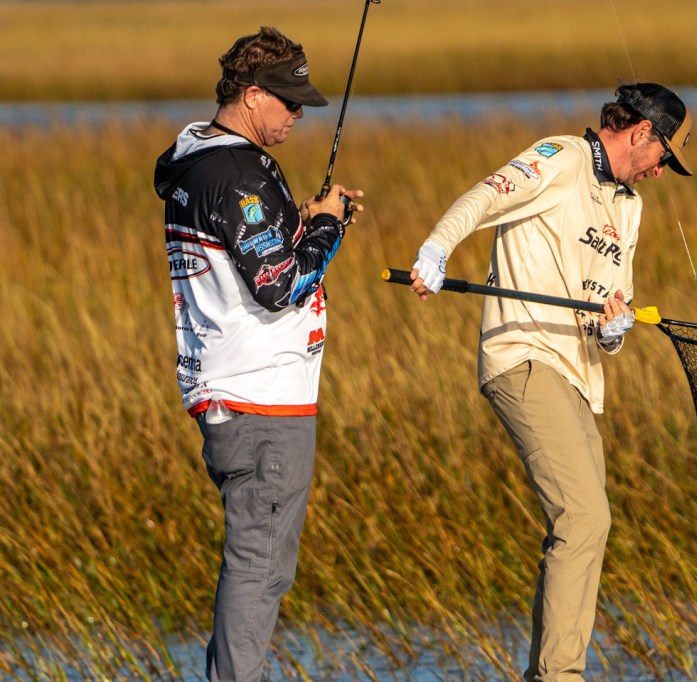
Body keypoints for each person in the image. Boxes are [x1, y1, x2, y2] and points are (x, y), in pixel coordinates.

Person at [407, 82, 694, 681]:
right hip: (523, 356)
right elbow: (485, 196)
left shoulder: (631, 207)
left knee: (590, 524)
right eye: (664, 157)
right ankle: (561, 676)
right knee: (583, 517)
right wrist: (436, 247)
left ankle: (549, 670)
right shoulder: (559, 157)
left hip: (580, 377)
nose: (660, 171)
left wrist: (613, 331)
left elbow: (615, 301)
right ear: (642, 132)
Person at [153, 26, 363, 681]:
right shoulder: (238, 174)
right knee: (260, 564)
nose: (299, 114)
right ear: (250, 95)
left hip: (236, 393)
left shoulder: (199, 163)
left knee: (261, 562)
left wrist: (298, 222)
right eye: (288, 102)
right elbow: (279, 285)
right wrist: (325, 226)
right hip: (260, 400)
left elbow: (253, 255)